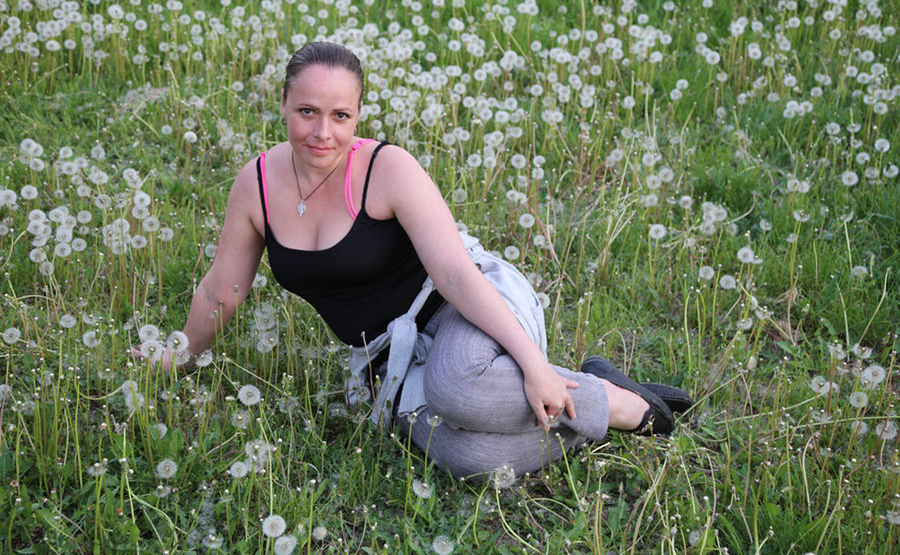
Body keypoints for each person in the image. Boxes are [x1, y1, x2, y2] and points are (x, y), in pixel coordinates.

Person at [140, 42, 691, 480]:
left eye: (340, 115)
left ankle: (616, 405)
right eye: (307, 111)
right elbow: (221, 291)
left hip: (462, 307)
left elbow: (455, 274)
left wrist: (533, 362)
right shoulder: (256, 185)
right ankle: (592, 382)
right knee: (469, 460)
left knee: (459, 390)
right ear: (283, 103)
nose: (322, 132)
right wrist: (179, 357)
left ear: (358, 116)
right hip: (390, 355)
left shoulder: (387, 168)